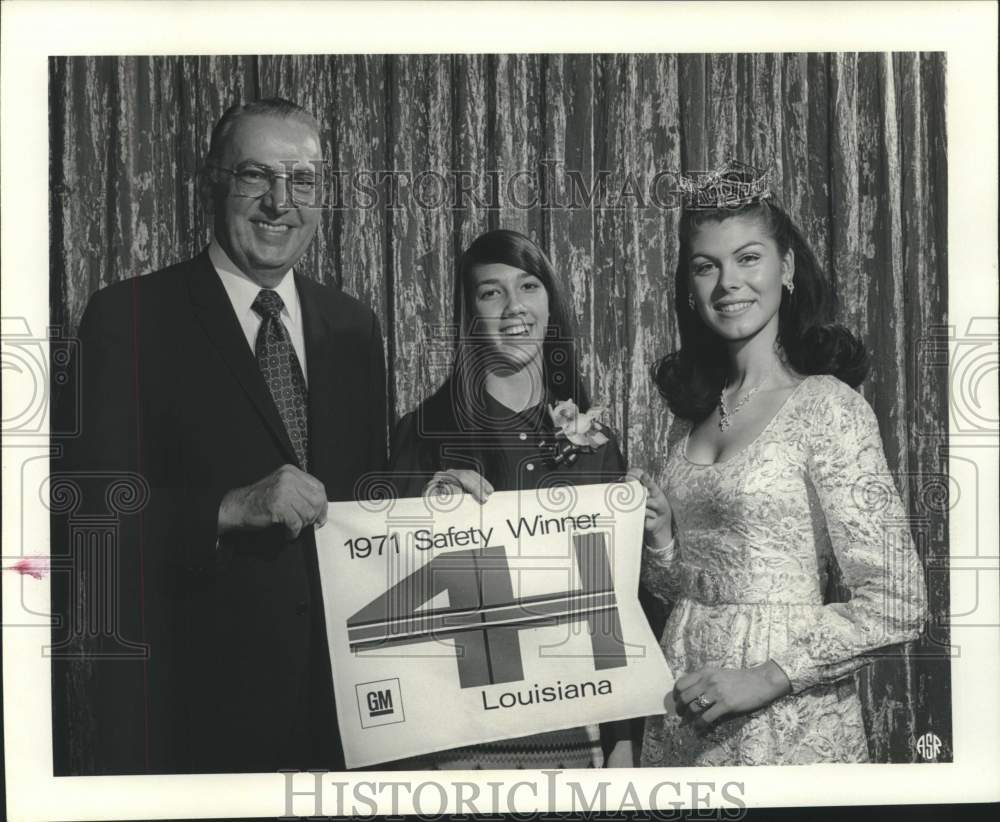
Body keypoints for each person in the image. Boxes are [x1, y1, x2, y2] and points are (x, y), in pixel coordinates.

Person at [51, 98, 387, 774]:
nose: (279, 202)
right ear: (214, 182)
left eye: (303, 180)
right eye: (255, 175)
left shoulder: (353, 328)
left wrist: (439, 493)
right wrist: (230, 507)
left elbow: (361, 500)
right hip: (190, 715)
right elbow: (84, 507)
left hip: (339, 714)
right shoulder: (128, 317)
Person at [631, 160, 927, 766]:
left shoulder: (826, 407)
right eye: (706, 265)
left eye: (748, 258)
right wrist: (660, 539)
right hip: (682, 705)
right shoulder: (691, 424)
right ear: (690, 285)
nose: (727, 283)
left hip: (783, 717)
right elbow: (687, 593)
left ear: (786, 267)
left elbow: (898, 599)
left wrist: (764, 677)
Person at [389, 229, 629, 769]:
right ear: (469, 312)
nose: (514, 306)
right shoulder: (424, 432)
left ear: (551, 302)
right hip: (459, 735)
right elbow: (387, 584)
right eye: (490, 292)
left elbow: (617, 603)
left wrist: (622, 737)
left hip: (575, 727)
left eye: (529, 286)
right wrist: (426, 518)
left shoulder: (596, 443)